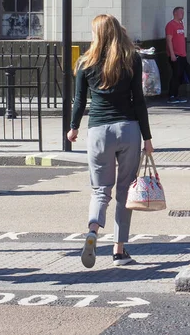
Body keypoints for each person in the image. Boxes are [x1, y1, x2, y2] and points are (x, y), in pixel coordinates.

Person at [67, 14, 154, 269]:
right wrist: (147, 138)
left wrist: (73, 128)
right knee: (125, 191)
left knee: (100, 190)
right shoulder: (131, 59)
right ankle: (119, 251)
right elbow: (139, 99)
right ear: (118, 32)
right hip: (128, 129)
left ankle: (93, 230)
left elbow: (79, 101)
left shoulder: (85, 62)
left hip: (98, 132)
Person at [166, 6, 189, 104]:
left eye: (183, 13)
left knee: (180, 75)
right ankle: (171, 95)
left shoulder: (181, 24)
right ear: (175, 13)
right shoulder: (171, 25)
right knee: (175, 75)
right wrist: (172, 54)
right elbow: (169, 40)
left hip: (182, 54)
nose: (182, 15)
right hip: (175, 55)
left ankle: (176, 94)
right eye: (181, 13)